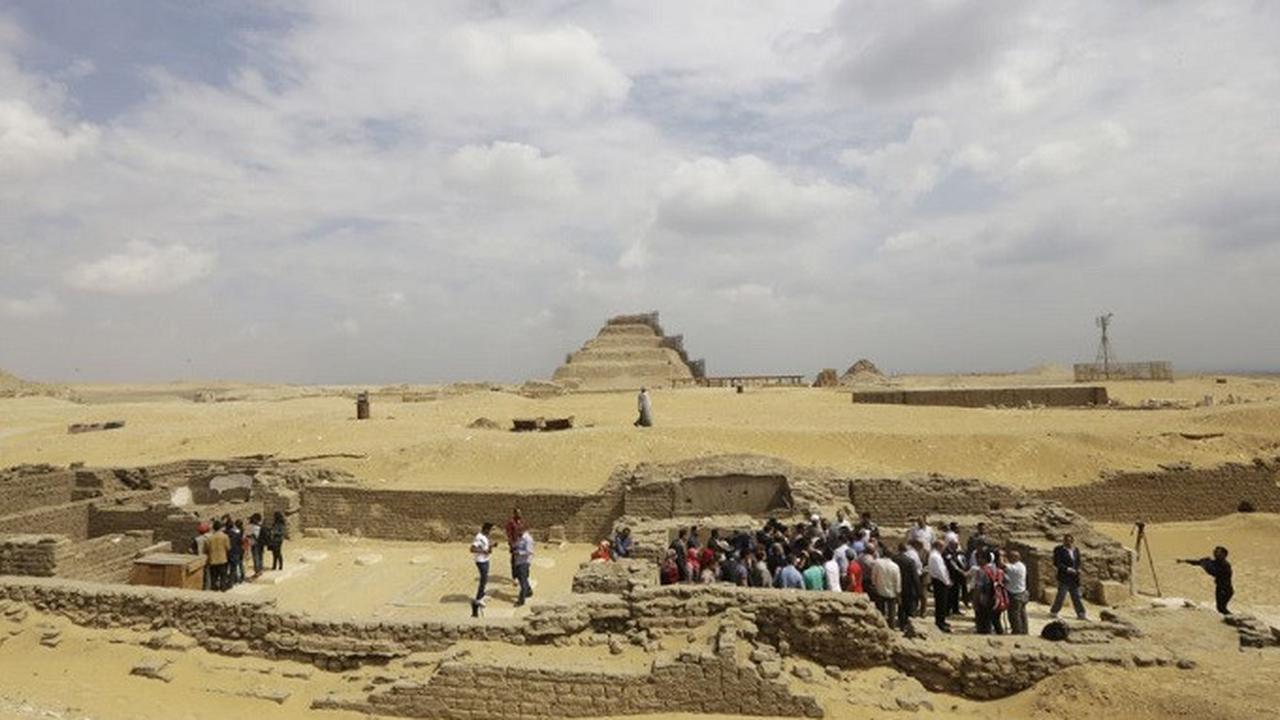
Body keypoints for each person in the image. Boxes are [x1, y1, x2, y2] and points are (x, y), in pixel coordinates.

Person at [1180, 546, 1233, 614]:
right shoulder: (1215, 562)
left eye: (1218, 552)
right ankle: (1231, 618)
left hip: (1225, 589)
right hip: (1221, 588)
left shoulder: (1225, 565)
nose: (1215, 553)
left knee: (1221, 608)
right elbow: (1197, 562)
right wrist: (1184, 561)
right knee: (1221, 608)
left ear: (1224, 555)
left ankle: (1232, 618)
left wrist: (1205, 564)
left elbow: (1214, 572)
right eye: (1215, 551)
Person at [1049, 534, 1087, 620]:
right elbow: (1057, 563)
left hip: (1074, 577)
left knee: (1076, 596)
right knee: (1061, 595)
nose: (1068, 542)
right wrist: (1067, 569)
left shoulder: (1076, 550)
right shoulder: (1059, 550)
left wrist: (1077, 569)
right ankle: (1054, 612)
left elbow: (1078, 562)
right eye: (1066, 540)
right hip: (1064, 577)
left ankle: (1081, 613)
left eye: (1070, 541)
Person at [927, 540, 952, 632]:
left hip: (939, 581)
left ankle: (942, 620)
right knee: (941, 603)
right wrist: (946, 581)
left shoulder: (935, 555)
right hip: (940, 582)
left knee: (941, 602)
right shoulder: (935, 557)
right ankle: (940, 623)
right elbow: (940, 571)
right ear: (939, 547)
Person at [893, 543, 919, 630]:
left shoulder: (893, 559)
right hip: (908, 586)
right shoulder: (910, 561)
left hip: (896, 585)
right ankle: (905, 623)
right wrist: (918, 589)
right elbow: (915, 577)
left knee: (899, 605)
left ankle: (900, 622)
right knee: (907, 605)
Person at [871, 553, 901, 628]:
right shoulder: (895, 566)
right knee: (892, 613)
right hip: (892, 592)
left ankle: (881, 627)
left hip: (880, 590)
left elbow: (873, 576)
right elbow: (897, 580)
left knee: (880, 611)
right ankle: (892, 627)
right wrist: (898, 591)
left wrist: (874, 584)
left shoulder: (878, 564)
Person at [470, 522, 493, 617]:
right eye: (489, 530)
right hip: (480, 561)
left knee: (485, 578)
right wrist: (484, 551)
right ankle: (478, 598)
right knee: (483, 579)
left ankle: (481, 596)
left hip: (485, 560)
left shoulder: (484, 537)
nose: (490, 532)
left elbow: (487, 549)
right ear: (486, 529)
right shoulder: (478, 537)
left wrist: (491, 546)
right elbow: (472, 549)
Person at [1004, 549, 1029, 634]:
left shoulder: (1014, 568)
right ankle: (1024, 630)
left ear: (1015, 558)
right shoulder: (1022, 565)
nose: (1008, 558)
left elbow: (1002, 565)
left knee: (1014, 615)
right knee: (1022, 614)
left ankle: (1017, 631)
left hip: (1015, 595)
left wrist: (1002, 557)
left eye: (1010, 557)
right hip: (1022, 593)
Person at [205, 520, 231, 592]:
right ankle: (223, 590)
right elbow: (228, 547)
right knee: (223, 576)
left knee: (214, 577)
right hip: (222, 559)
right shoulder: (225, 536)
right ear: (220, 528)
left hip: (213, 560)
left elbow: (207, 548)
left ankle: (214, 591)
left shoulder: (210, 538)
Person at [512, 528, 534, 607]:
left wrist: (519, 552)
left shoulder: (528, 539)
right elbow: (518, 545)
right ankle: (528, 591)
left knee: (522, 581)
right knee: (521, 577)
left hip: (524, 562)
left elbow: (530, 551)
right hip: (518, 561)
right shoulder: (520, 537)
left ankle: (521, 600)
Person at [505, 508, 525, 581]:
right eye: (518, 513)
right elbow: (509, 534)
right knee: (514, 560)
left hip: (521, 544)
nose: (520, 514)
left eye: (520, 513)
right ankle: (514, 577)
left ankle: (520, 575)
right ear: (514, 514)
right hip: (515, 544)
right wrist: (512, 544)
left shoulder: (521, 521)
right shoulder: (511, 522)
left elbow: (522, 531)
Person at [226, 519, 245, 586]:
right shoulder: (237, 533)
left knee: (229, 567)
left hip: (228, 553)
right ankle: (235, 580)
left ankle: (231, 581)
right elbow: (241, 542)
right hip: (237, 552)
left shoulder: (225, 534)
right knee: (235, 567)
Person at [247, 513, 265, 578]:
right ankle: (260, 569)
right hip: (261, 543)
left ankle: (257, 571)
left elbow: (247, 535)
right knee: (260, 556)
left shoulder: (250, 527)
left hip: (254, 543)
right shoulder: (260, 526)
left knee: (256, 557)